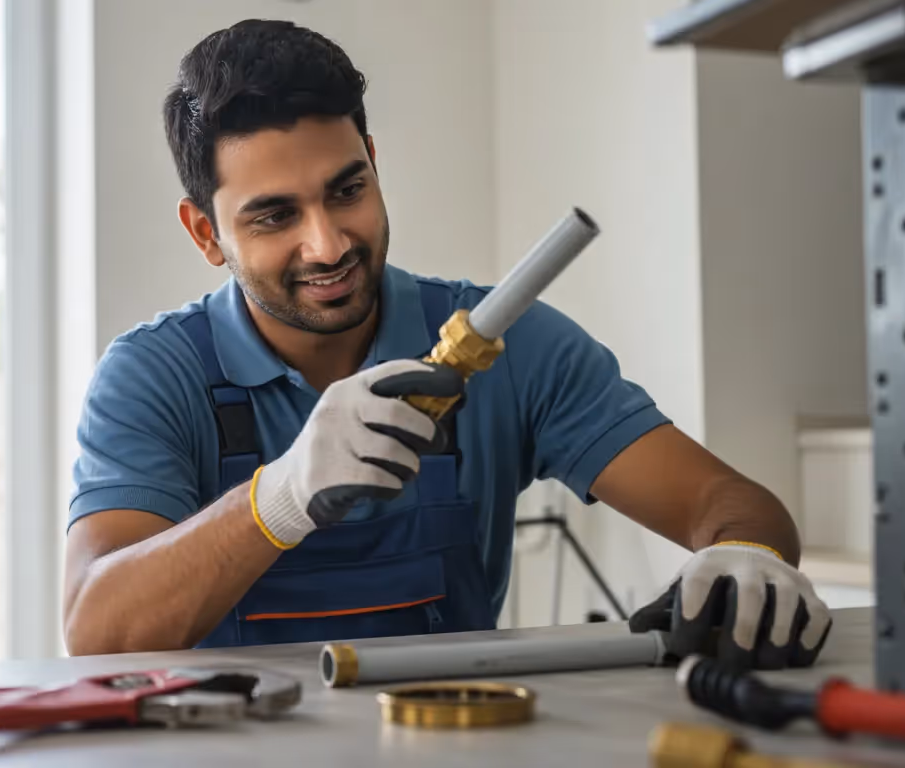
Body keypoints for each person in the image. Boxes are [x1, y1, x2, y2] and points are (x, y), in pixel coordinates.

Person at [62, 19, 831, 670]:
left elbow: (731, 506)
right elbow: (97, 632)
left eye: (346, 190)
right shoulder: (153, 377)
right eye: (274, 216)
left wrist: (750, 558)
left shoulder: (512, 345)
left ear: (375, 165)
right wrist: (282, 497)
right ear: (206, 233)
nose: (327, 244)